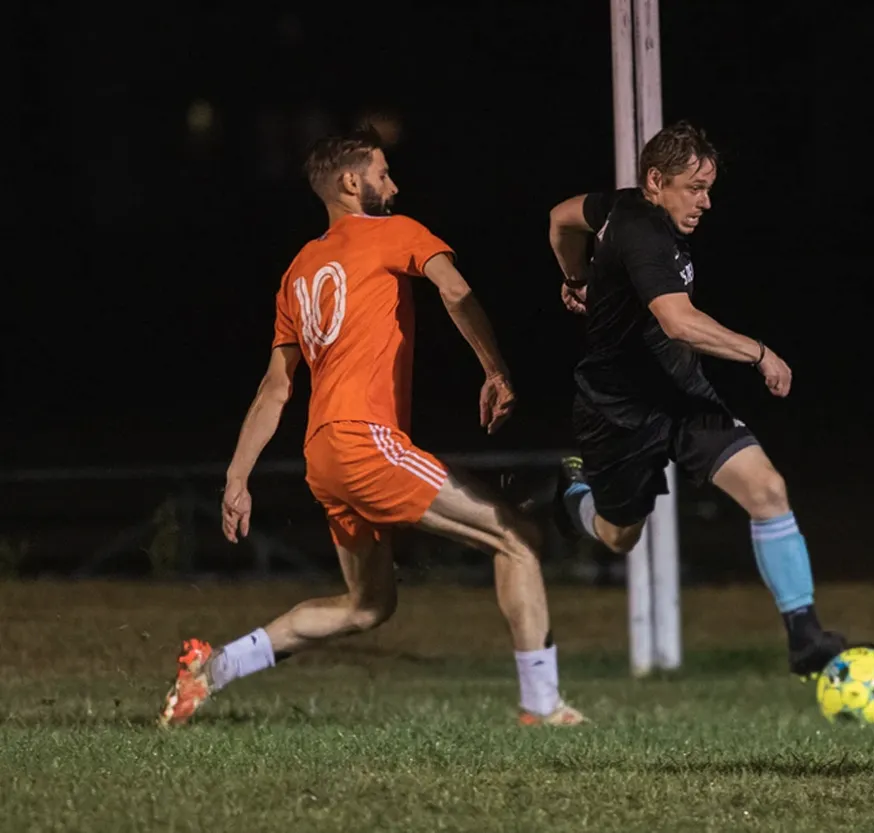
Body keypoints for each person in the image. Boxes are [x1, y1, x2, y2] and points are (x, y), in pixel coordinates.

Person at [159, 125, 585, 728]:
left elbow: (276, 387)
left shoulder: (298, 269)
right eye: (384, 173)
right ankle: (542, 707)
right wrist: (496, 371)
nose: (395, 183)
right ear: (352, 182)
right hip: (365, 440)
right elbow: (457, 291)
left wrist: (237, 477)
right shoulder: (396, 233)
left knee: (367, 605)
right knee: (515, 536)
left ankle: (213, 669)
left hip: (322, 456)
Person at [547, 121, 869, 679]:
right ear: (655, 181)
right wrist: (760, 352)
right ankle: (572, 496)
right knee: (618, 536)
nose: (706, 202)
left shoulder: (614, 206)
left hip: (679, 396)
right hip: (617, 411)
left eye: (709, 187)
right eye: (694, 188)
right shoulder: (642, 232)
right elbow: (678, 322)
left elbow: (560, 216)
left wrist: (576, 276)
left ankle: (804, 637)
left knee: (767, 488)